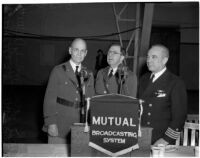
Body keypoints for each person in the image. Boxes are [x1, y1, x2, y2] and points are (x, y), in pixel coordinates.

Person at [43, 38, 94, 144]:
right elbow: (49, 99)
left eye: (82, 51)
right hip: (60, 125)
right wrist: (51, 123)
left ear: (86, 53)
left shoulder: (89, 74)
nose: (79, 53)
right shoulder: (58, 70)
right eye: (76, 50)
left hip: (81, 126)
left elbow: (91, 101)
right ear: (70, 50)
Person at [138, 44, 187, 145]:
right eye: (148, 56)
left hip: (160, 139)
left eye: (154, 57)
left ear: (164, 60)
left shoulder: (175, 83)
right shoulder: (144, 79)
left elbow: (179, 117)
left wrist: (166, 139)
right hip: (141, 135)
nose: (148, 60)